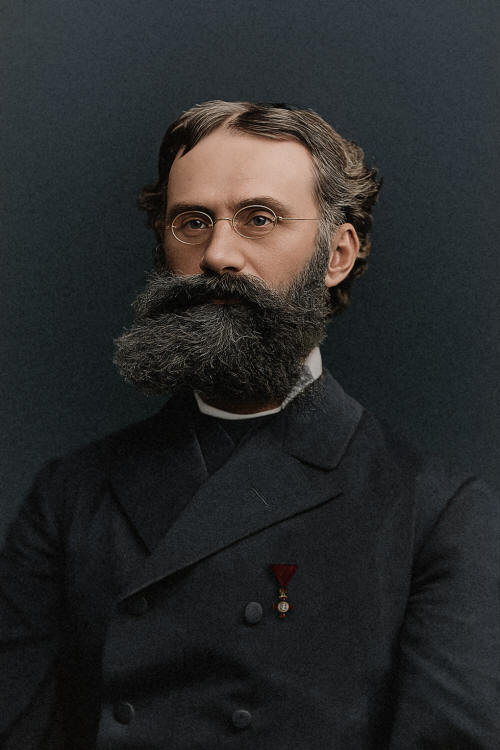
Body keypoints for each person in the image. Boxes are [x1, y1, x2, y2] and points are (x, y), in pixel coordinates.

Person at [1, 100, 499, 749]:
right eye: (192, 222)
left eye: (259, 219)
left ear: (336, 254)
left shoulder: (438, 516)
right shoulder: (70, 497)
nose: (218, 255)